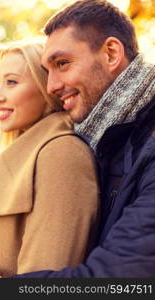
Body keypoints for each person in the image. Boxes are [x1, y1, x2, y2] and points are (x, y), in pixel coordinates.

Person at [13, 0, 155, 277]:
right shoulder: (105, 142)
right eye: (47, 71)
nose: (51, 86)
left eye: (62, 63)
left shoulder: (145, 144)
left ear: (111, 53)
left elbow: (115, 282)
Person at [0, 41, 100, 277]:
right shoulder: (17, 157)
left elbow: (43, 283)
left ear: (46, 88)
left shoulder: (62, 155)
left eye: (11, 82)